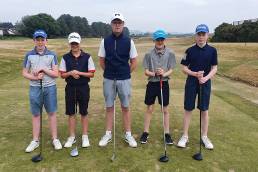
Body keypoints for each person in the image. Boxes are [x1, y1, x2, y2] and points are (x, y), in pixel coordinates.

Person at [98, 12, 138, 148]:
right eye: (115, 22)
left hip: (124, 79)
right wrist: (110, 73)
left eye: (119, 23)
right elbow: (101, 61)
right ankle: (108, 133)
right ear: (111, 25)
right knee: (109, 107)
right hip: (109, 78)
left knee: (125, 107)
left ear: (123, 25)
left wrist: (125, 73)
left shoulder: (129, 41)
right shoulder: (105, 41)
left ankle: (128, 134)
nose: (117, 25)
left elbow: (134, 61)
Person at [177, 24, 218, 149]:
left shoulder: (212, 51)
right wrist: (194, 74)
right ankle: (185, 136)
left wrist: (205, 78)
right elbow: (184, 68)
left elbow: (214, 68)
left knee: (204, 110)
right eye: (199, 34)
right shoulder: (189, 51)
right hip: (191, 82)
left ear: (207, 35)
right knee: (188, 109)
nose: (201, 37)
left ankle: (204, 137)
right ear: (195, 36)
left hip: (205, 83)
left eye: (203, 34)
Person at [23, 29, 62, 152]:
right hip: (35, 88)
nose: (40, 42)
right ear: (34, 41)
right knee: (36, 114)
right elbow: (24, 72)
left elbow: (56, 74)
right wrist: (34, 77)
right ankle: (35, 140)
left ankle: (55, 138)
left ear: (46, 40)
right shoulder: (29, 55)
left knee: (52, 113)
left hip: (50, 87)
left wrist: (43, 69)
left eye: (42, 39)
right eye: (37, 40)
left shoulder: (52, 55)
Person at [139, 29, 176, 145]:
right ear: (154, 40)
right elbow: (146, 71)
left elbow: (171, 69)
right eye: (157, 40)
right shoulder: (148, 54)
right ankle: (145, 132)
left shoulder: (170, 53)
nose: (160, 42)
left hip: (164, 83)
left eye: (161, 39)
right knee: (149, 108)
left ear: (164, 40)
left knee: (165, 109)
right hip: (152, 83)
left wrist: (163, 74)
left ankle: (167, 133)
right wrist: (155, 73)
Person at [59, 32, 95, 148]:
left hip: (83, 87)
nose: (74, 45)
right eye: (72, 43)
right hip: (70, 88)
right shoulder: (65, 57)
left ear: (79, 43)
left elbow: (91, 74)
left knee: (84, 112)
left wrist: (78, 72)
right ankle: (72, 136)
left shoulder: (87, 57)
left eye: (76, 43)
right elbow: (62, 75)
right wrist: (70, 73)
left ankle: (85, 136)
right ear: (70, 43)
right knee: (71, 113)